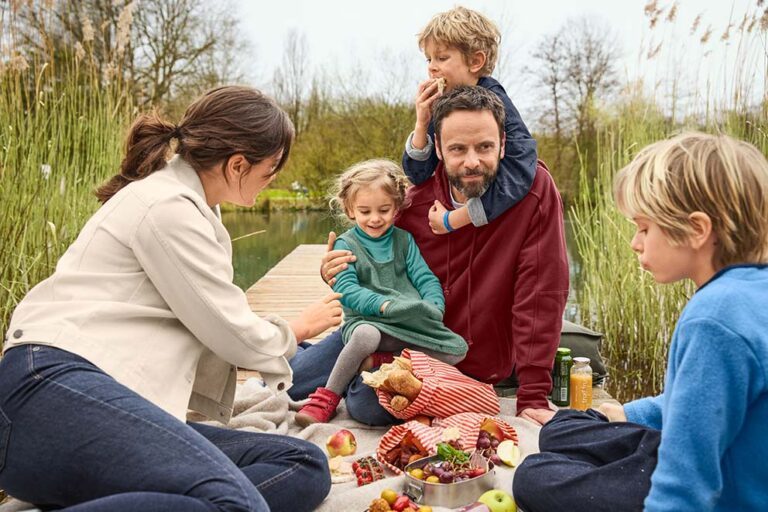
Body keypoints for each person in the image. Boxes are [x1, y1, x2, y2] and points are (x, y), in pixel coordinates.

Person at [0, 86, 342, 512]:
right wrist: (295, 329)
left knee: (302, 463)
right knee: (236, 502)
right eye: (271, 169)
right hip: (54, 393)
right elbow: (233, 333)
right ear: (238, 165)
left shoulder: (191, 206)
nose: (272, 180)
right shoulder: (166, 206)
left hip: (93, 406)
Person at [513, 132, 768, 512]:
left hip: (723, 493)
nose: (635, 242)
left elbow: (686, 483)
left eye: (645, 228)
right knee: (562, 426)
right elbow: (703, 404)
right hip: (710, 449)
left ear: (698, 230)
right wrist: (624, 413)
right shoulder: (750, 292)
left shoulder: (713, 318)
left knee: (535, 474)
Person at [289, 86, 569, 427]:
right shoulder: (412, 202)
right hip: (392, 331)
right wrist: (336, 269)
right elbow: (373, 253)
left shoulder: (531, 194)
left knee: (367, 406)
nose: (471, 161)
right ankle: (333, 363)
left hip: (459, 354)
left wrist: (534, 393)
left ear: (504, 144)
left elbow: (541, 295)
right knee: (292, 382)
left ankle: (354, 372)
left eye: (484, 147)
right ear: (437, 147)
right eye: (457, 149)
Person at [295, 160, 467, 426]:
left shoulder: (404, 240)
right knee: (365, 335)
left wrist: (435, 306)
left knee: (457, 349)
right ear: (349, 210)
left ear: (396, 208)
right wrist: (383, 305)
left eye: (384, 210)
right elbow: (348, 289)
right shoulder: (346, 244)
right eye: (365, 211)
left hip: (405, 326)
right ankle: (326, 397)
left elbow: (424, 278)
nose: (375, 218)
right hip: (368, 321)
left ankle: (378, 360)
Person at [403, 6, 537, 235]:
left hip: (489, 224)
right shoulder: (444, 105)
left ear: (475, 61)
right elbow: (417, 174)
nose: (432, 67)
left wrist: (454, 220)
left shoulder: (495, 103)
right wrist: (421, 124)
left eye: (442, 58)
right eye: (428, 59)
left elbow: (521, 166)